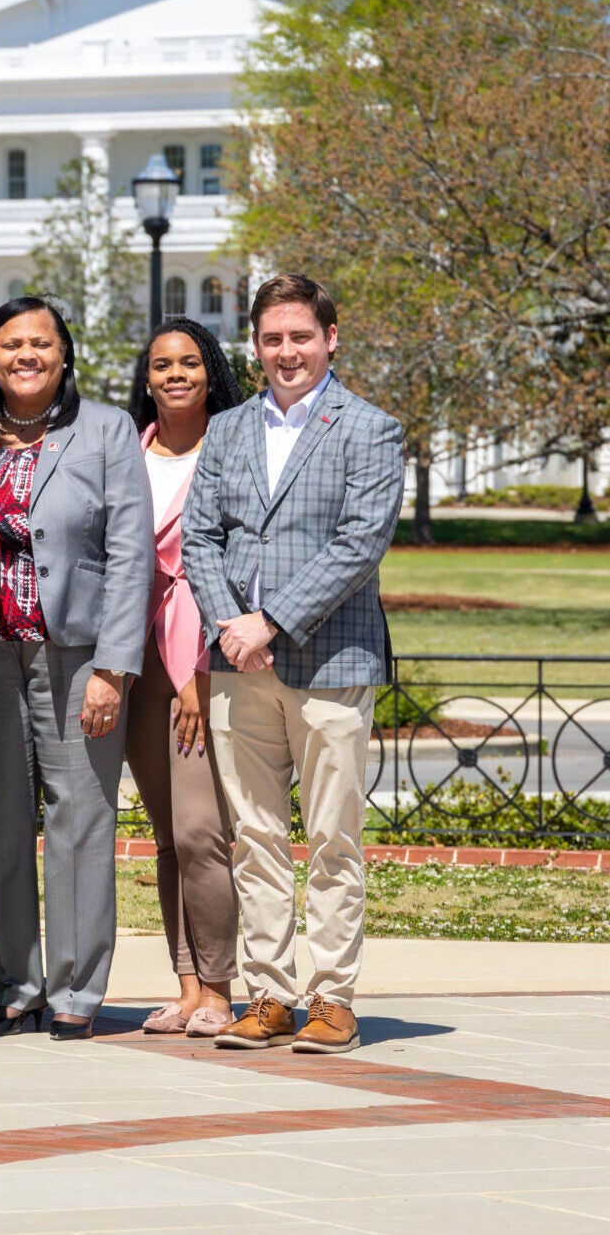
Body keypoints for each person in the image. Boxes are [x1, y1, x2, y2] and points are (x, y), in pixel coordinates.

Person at [183, 274, 403, 1054]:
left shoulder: (370, 429)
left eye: (300, 337)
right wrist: (229, 624)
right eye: (272, 339)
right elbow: (200, 538)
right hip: (240, 663)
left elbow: (359, 542)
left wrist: (269, 619)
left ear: (331, 338)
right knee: (256, 836)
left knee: (335, 836)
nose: (286, 352)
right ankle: (270, 994)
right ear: (255, 344)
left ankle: (332, 997)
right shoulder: (230, 428)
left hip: (333, 658)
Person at [0, 297, 155, 1041]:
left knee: (81, 819)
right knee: (3, 821)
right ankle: (18, 985)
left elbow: (133, 555)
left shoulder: (106, 431)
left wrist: (114, 667)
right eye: (10, 344)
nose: (25, 355)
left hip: (79, 657)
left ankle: (76, 990)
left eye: (40, 343)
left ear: (64, 355)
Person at [125, 317, 246, 1037]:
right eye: (163, 363)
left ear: (210, 374)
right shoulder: (127, 451)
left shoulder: (231, 450)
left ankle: (223, 987)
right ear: (147, 378)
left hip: (201, 650)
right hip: (134, 651)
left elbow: (227, 563)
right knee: (167, 834)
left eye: (190, 362)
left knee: (203, 831)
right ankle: (188, 985)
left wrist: (200, 673)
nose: (176, 373)